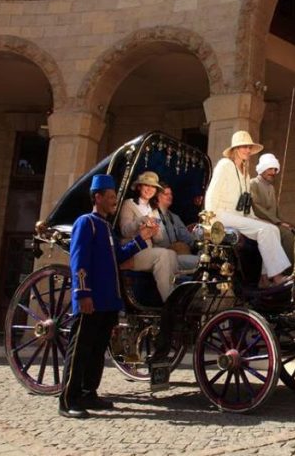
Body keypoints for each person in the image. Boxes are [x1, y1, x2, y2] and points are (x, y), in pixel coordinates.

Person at [59, 174, 157, 419]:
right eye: (111, 197)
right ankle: (68, 399)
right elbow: (79, 261)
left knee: (96, 350)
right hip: (91, 299)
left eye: (115, 197)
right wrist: (82, 293)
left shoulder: (106, 227)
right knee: (80, 350)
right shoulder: (86, 223)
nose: (115, 201)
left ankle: (89, 393)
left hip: (108, 300)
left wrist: (141, 240)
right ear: (98, 197)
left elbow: (119, 257)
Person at [205, 131, 291, 286]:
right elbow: (211, 194)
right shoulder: (225, 165)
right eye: (244, 147)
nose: (248, 151)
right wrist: (211, 222)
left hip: (240, 217)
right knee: (265, 230)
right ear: (235, 149)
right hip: (222, 215)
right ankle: (277, 277)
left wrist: (257, 219)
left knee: (272, 229)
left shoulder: (245, 172)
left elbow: (246, 204)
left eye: (249, 147)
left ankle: (264, 277)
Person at [118, 171, 179, 300]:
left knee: (171, 254)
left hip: (148, 251)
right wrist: (141, 221)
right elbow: (124, 230)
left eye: (152, 187)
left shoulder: (154, 210)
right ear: (139, 186)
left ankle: (173, 294)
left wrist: (155, 230)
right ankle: (169, 300)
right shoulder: (129, 204)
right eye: (146, 185)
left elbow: (159, 239)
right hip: (133, 252)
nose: (149, 189)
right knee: (163, 255)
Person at [249, 153, 295, 261]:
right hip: (258, 221)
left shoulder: (271, 188)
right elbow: (256, 206)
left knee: (292, 231)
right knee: (287, 235)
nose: (273, 172)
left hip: (272, 222)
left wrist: (285, 222)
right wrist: (277, 222)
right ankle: (288, 271)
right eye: (270, 169)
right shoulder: (253, 183)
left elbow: (276, 210)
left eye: (275, 170)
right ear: (263, 169)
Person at [153, 182, 199, 271]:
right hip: (162, 256)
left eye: (171, 194)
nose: (170, 196)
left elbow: (187, 238)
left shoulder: (174, 217)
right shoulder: (151, 215)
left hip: (177, 254)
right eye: (166, 194)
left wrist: (198, 237)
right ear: (156, 197)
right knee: (199, 263)